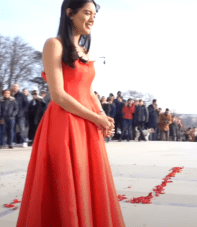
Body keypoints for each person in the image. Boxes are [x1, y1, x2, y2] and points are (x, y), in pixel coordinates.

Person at [16, 1, 125, 226]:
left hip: (88, 124)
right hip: (64, 124)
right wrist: (96, 118)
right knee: (65, 186)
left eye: (94, 14)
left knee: (87, 184)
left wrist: (103, 115)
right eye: (87, 13)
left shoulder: (84, 51)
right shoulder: (54, 45)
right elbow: (58, 95)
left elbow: (89, 91)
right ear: (70, 13)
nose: (92, 19)